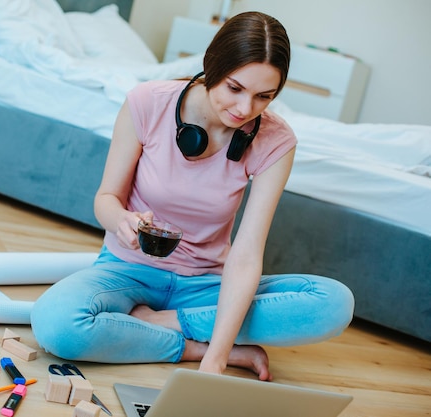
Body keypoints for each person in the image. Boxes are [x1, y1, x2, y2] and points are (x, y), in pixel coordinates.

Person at [30, 11, 354, 381]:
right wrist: (121, 220)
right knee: (55, 323)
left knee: (333, 303)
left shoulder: (275, 141)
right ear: (212, 66)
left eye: (264, 96)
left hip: (206, 285)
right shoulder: (148, 102)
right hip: (127, 271)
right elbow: (106, 199)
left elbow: (246, 254)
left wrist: (213, 362)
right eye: (235, 88)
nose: (245, 109)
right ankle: (190, 344)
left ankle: (156, 323)